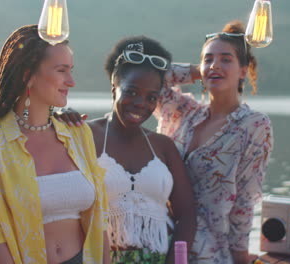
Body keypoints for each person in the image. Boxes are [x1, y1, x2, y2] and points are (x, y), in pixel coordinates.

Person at [0, 25, 110, 264]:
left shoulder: (78, 134)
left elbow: (100, 218)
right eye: (61, 71)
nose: (71, 82)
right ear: (28, 74)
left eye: (71, 70)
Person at [56, 36, 196, 263]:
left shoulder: (162, 146)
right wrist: (54, 120)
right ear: (114, 85)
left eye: (151, 97)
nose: (141, 103)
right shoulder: (84, 136)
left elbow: (187, 214)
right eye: (131, 92)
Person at [155, 20, 274, 264]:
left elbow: (245, 199)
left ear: (244, 70)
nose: (215, 65)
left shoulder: (252, 125)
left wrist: (240, 257)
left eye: (226, 59)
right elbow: (150, 76)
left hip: (210, 252)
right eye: (208, 58)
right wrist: (202, 70)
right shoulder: (184, 113)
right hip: (158, 243)